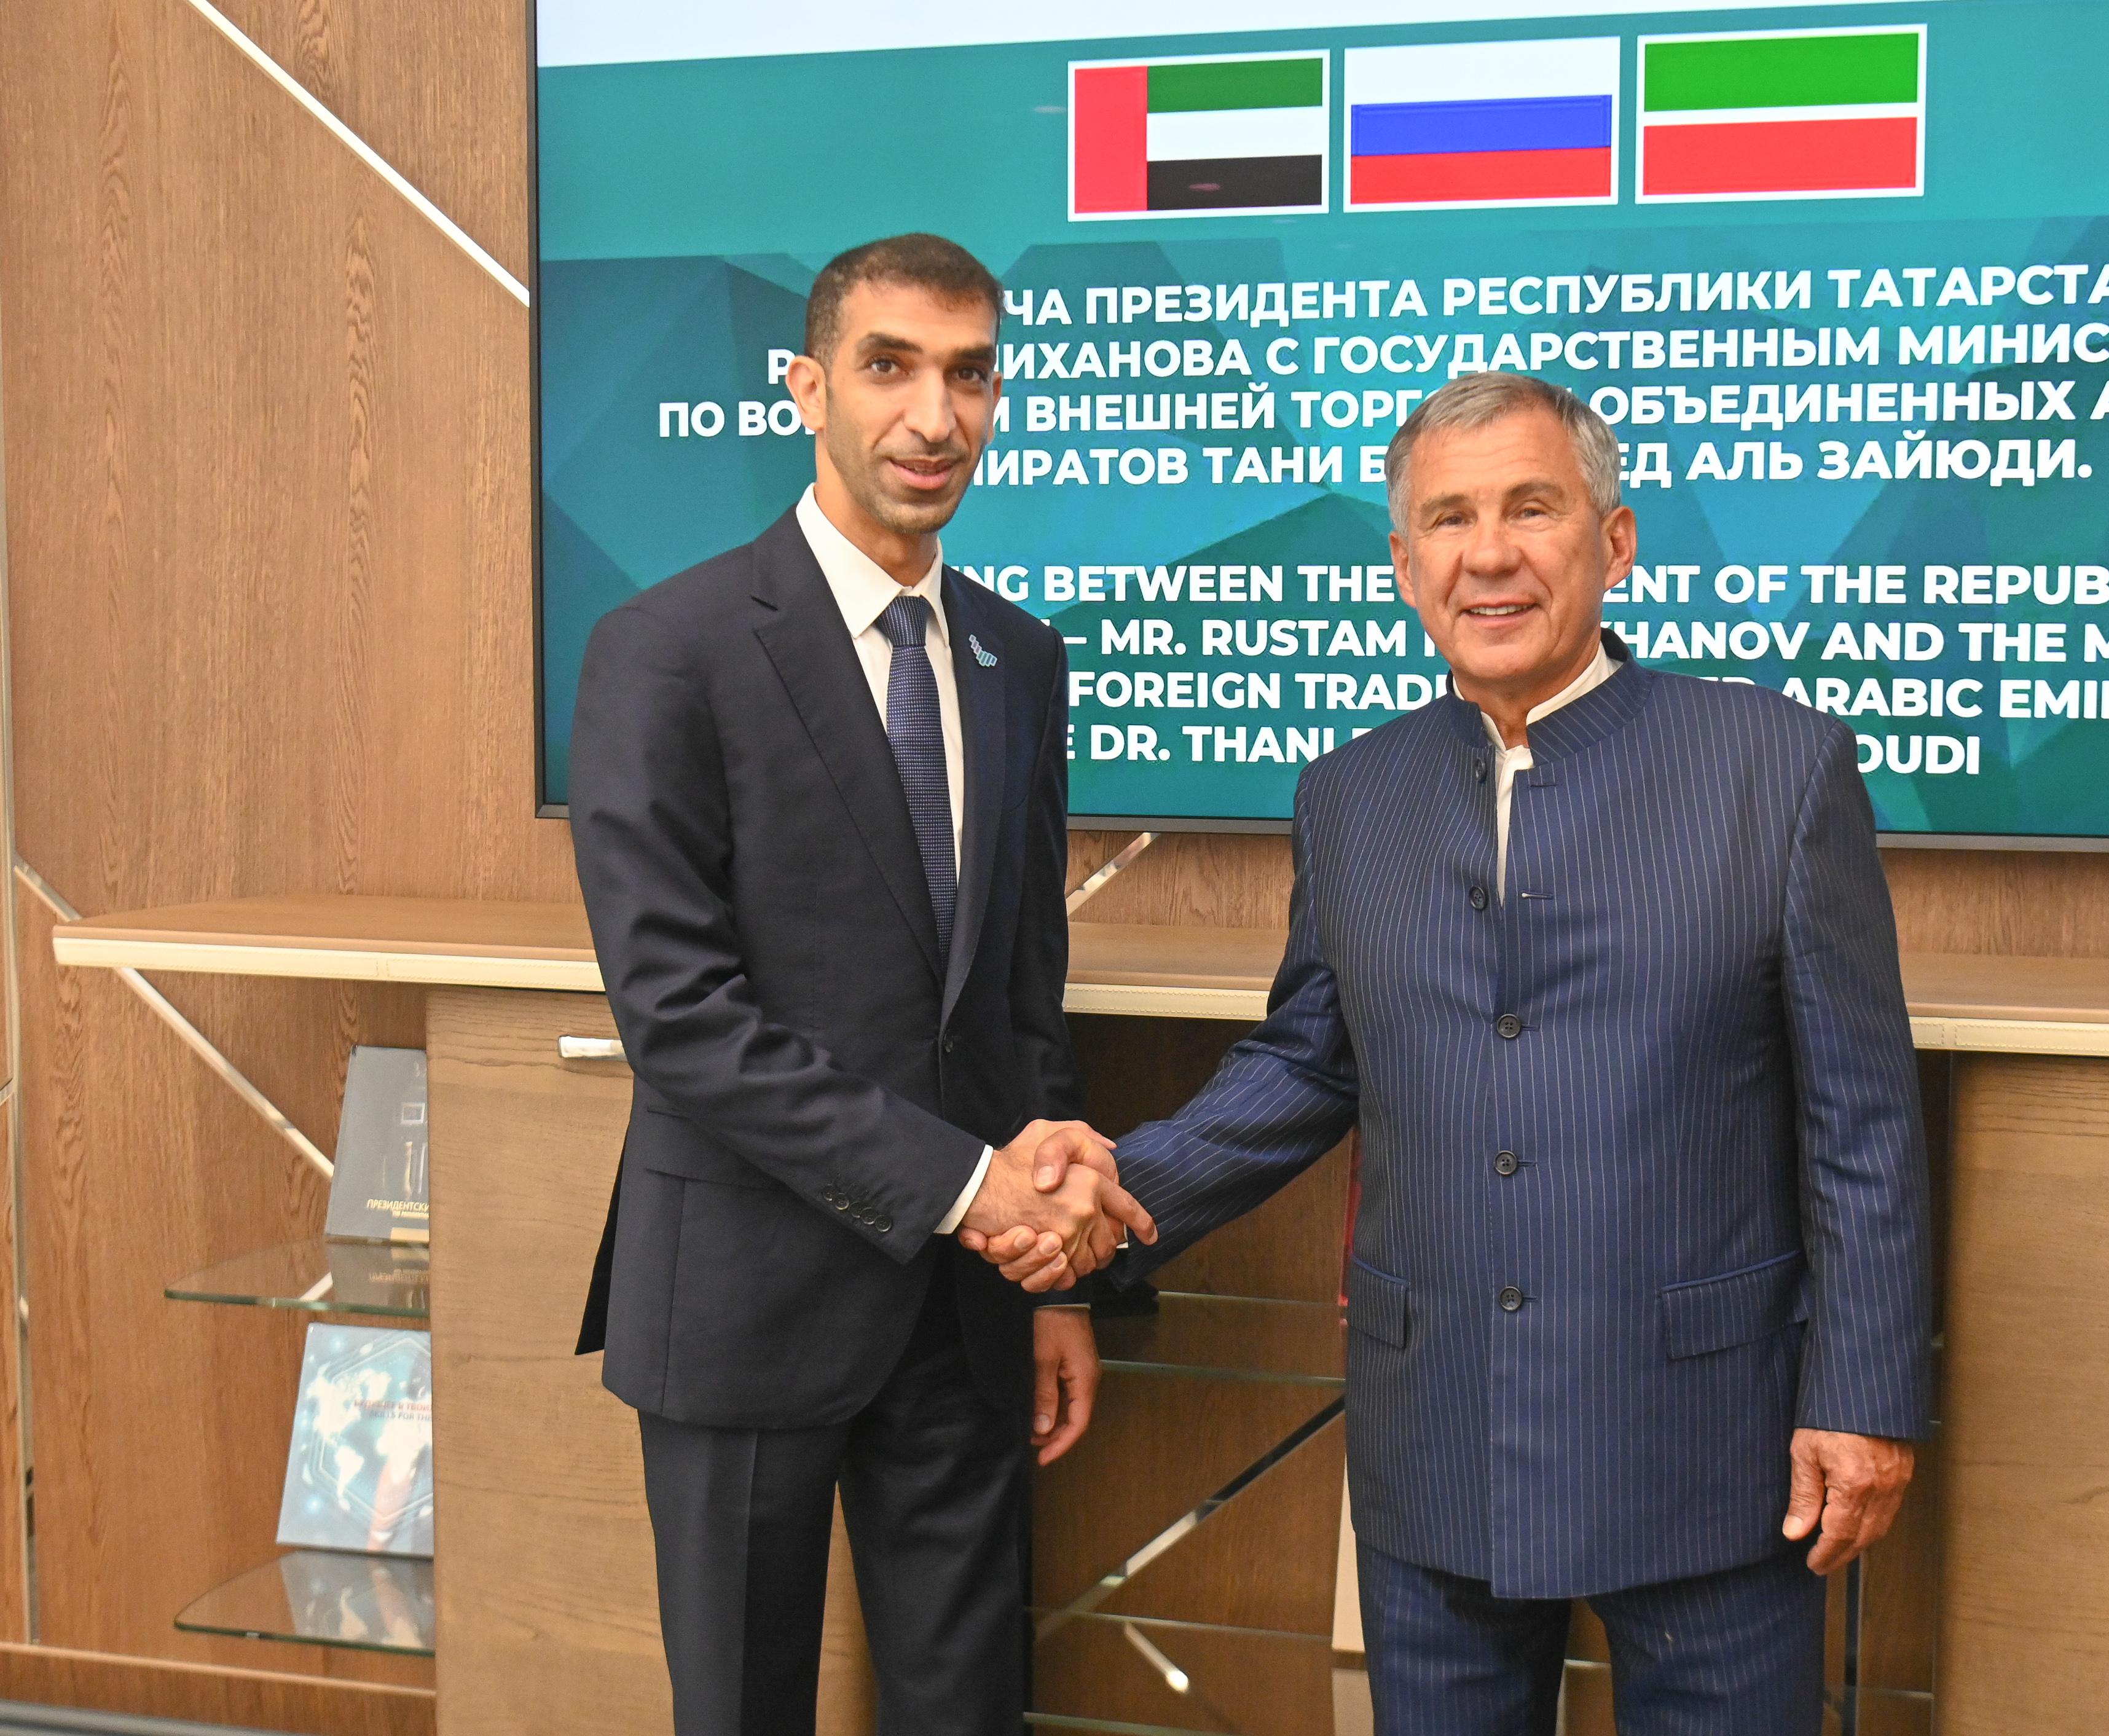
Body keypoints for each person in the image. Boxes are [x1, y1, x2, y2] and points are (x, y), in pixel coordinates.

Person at [978, 372, 1931, 1734]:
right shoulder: (1349, 793)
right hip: (1434, 1437)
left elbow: (1863, 1121)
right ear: (1404, 564)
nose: (1488, 554)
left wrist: (1864, 1399)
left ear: (1613, 540)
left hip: (1712, 1443)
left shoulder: (1775, 769)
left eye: (1530, 508)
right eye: (1448, 518)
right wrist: (1108, 1195)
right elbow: (1307, 1063)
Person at [568, 232, 1149, 1736]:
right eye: (890, 368)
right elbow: (680, 1019)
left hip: (970, 1316)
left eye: (969, 375)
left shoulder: (1019, 659)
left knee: (970, 1710)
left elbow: (1019, 995)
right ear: (807, 388)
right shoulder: (666, 649)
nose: (933, 417)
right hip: (747, 1300)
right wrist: (971, 1190)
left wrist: (1057, 1282)